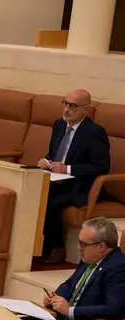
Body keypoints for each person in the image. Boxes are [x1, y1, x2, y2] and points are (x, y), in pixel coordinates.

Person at [39, 89, 111, 264]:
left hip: (81, 186)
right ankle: (32, 245)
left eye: (73, 106)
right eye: (65, 104)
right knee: (32, 193)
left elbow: (101, 166)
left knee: (50, 201)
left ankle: (55, 248)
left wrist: (68, 169)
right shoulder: (59, 125)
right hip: (56, 179)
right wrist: (46, 161)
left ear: (85, 109)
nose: (67, 110)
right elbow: (54, 153)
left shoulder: (94, 132)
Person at [41, 216, 125, 320]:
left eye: (83, 244)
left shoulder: (119, 267)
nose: (78, 248)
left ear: (101, 246)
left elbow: (113, 309)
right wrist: (55, 298)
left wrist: (70, 311)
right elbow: (70, 284)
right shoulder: (90, 258)